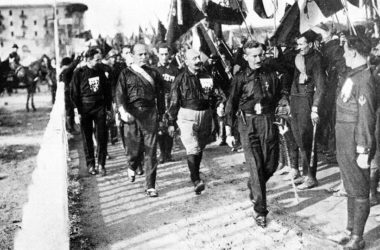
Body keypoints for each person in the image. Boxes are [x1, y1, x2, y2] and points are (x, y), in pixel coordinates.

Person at [225, 40, 288, 228]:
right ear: (246, 57)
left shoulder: (270, 73)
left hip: (268, 120)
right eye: (254, 56)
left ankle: (254, 185)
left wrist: (283, 104)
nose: (258, 59)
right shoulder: (240, 77)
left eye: (261, 54)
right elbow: (231, 104)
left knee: (271, 164)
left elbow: (278, 96)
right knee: (256, 166)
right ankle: (260, 211)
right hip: (248, 123)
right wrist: (229, 130)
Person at [334, 35, 376, 250]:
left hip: (355, 142)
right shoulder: (353, 75)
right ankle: (350, 230)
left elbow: (366, 118)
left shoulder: (365, 79)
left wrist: (363, 149)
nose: (343, 54)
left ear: (352, 52)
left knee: (359, 190)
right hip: (344, 139)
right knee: (350, 187)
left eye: (345, 50)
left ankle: (358, 238)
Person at [167, 49, 225, 195]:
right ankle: (196, 179)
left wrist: (220, 104)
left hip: (205, 115)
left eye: (198, 57)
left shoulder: (207, 76)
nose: (198, 60)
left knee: (199, 146)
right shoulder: (180, 78)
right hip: (187, 116)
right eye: (194, 58)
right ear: (186, 62)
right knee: (192, 147)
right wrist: (171, 121)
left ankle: (195, 172)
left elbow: (216, 93)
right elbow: (174, 101)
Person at [116, 43, 165, 197]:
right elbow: (119, 94)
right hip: (132, 115)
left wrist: (162, 115)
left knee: (151, 151)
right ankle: (131, 165)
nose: (143, 57)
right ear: (132, 56)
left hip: (150, 114)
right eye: (140, 55)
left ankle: (150, 186)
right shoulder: (125, 73)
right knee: (133, 149)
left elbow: (161, 95)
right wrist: (122, 110)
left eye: (145, 54)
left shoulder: (154, 73)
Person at [290, 30, 325, 190]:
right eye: (298, 44)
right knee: (299, 137)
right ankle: (305, 174)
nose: (299, 47)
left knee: (307, 138)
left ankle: (311, 177)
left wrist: (315, 107)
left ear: (310, 44)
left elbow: (321, 86)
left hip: (307, 101)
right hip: (296, 100)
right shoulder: (299, 57)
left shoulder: (317, 58)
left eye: (302, 44)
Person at [71, 48, 112, 176]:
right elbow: (74, 93)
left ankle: (101, 164)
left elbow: (107, 90)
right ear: (88, 60)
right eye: (97, 59)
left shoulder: (100, 71)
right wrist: (76, 111)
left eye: (100, 59)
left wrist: (109, 108)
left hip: (100, 107)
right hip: (85, 108)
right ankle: (91, 165)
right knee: (87, 137)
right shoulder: (79, 72)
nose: (99, 62)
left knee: (102, 136)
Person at [155, 43, 180, 163]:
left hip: (171, 101)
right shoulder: (154, 70)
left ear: (169, 54)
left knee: (171, 126)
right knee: (160, 127)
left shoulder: (175, 70)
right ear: (158, 55)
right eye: (162, 54)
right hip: (158, 101)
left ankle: (168, 153)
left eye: (166, 54)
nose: (164, 57)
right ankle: (162, 153)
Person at [60, 56, 81, 134]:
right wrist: (77, 60)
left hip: (68, 92)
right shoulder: (66, 71)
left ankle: (71, 126)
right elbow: (72, 67)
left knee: (70, 110)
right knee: (70, 111)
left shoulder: (64, 71)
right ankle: (70, 128)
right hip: (68, 93)